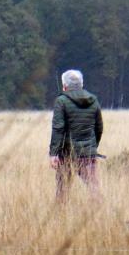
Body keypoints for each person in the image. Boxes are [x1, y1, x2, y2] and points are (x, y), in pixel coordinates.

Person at [49, 69, 103, 199]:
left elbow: (58, 128)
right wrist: (92, 147)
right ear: (81, 84)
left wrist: (54, 153)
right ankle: (101, 214)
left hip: (67, 154)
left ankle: (61, 217)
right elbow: (99, 127)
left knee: (62, 191)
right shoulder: (93, 100)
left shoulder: (61, 101)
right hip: (88, 154)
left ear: (64, 85)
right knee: (94, 189)